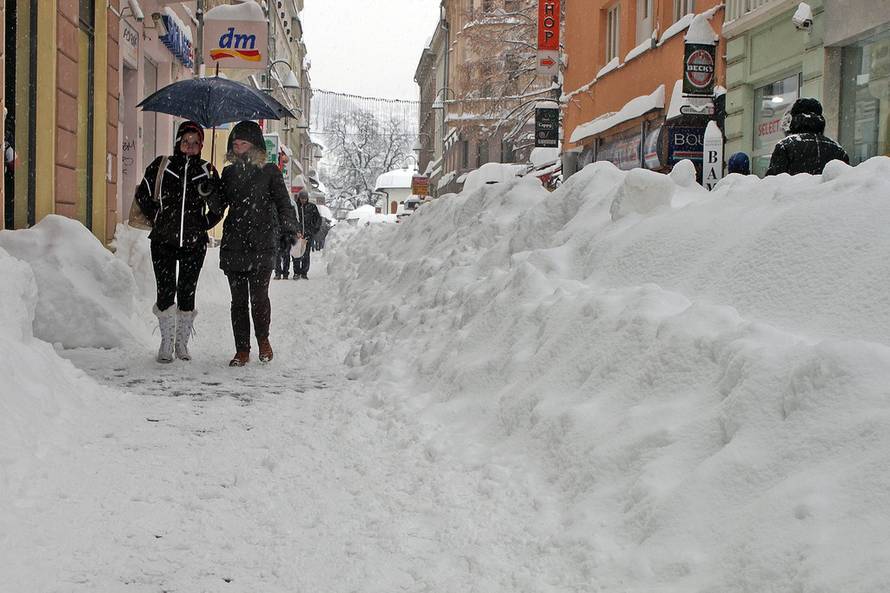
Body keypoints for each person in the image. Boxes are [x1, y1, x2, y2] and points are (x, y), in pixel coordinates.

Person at [208, 120, 298, 367]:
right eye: (235, 145)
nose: (239, 149)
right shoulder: (228, 173)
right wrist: (209, 189)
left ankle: (263, 339)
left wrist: (289, 228)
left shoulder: (270, 172)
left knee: (259, 298)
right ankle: (242, 349)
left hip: (261, 243)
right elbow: (219, 206)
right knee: (238, 302)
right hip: (234, 243)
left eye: (244, 144)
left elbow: (283, 204)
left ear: (255, 145)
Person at [134, 121, 221, 363]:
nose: (190, 147)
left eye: (195, 143)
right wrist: (157, 216)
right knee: (165, 291)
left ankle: (181, 343)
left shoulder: (208, 170)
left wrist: (205, 214)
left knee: (187, 291)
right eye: (186, 141)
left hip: (194, 243)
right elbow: (143, 194)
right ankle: (166, 343)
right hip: (163, 240)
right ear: (178, 142)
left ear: (201, 145)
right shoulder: (162, 165)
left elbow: (218, 207)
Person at [766, 98, 849, 176]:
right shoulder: (838, 150)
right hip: (827, 191)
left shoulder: (785, 146)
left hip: (794, 191)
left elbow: (772, 184)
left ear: (793, 119)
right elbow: (844, 186)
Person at [292, 190, 321, 280]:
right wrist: (293, 230)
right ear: (299, 198)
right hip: (297, 234)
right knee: (296, 254)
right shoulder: (295, 207)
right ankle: (296, 272)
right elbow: (292, 219)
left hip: (308, 234)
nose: (303, 200)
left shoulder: (312, 207)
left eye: (305, 198)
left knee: (306, 254)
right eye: (302, 198)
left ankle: (304, 272)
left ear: (307, 198)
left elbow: (318, 219)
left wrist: (314, 230)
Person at [274, 193, 298, 279]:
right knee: (281, 254)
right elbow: (295, 219)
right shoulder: (289, 206)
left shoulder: (286, 206)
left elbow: (294, 219)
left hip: (285, 232)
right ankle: (281, 273)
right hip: (282, 232)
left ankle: (282, 273)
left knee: (283, 254)